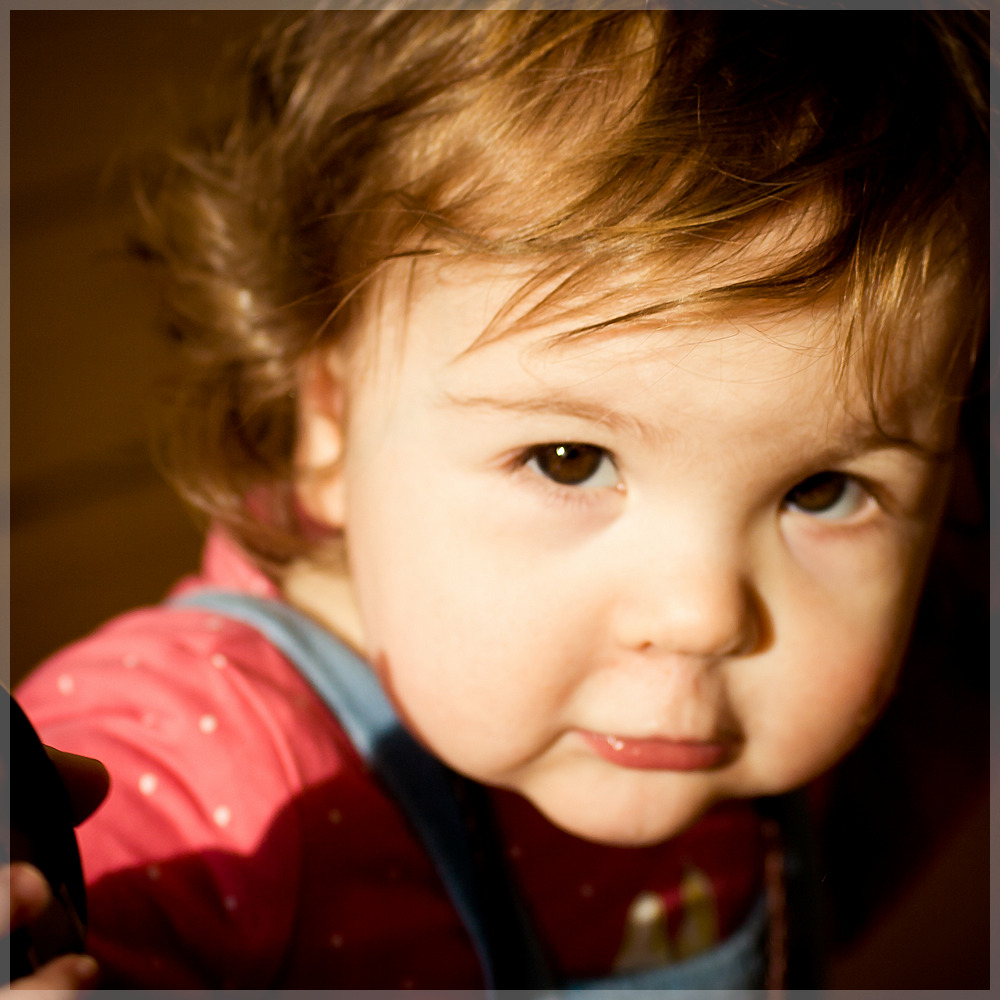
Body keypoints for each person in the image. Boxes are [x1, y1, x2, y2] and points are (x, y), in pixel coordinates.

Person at [14, 10, 988, 991]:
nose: (703, 618)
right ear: (332, 422)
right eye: (569, 460)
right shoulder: (202, 760)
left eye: (823, 490)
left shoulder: (831, 737)